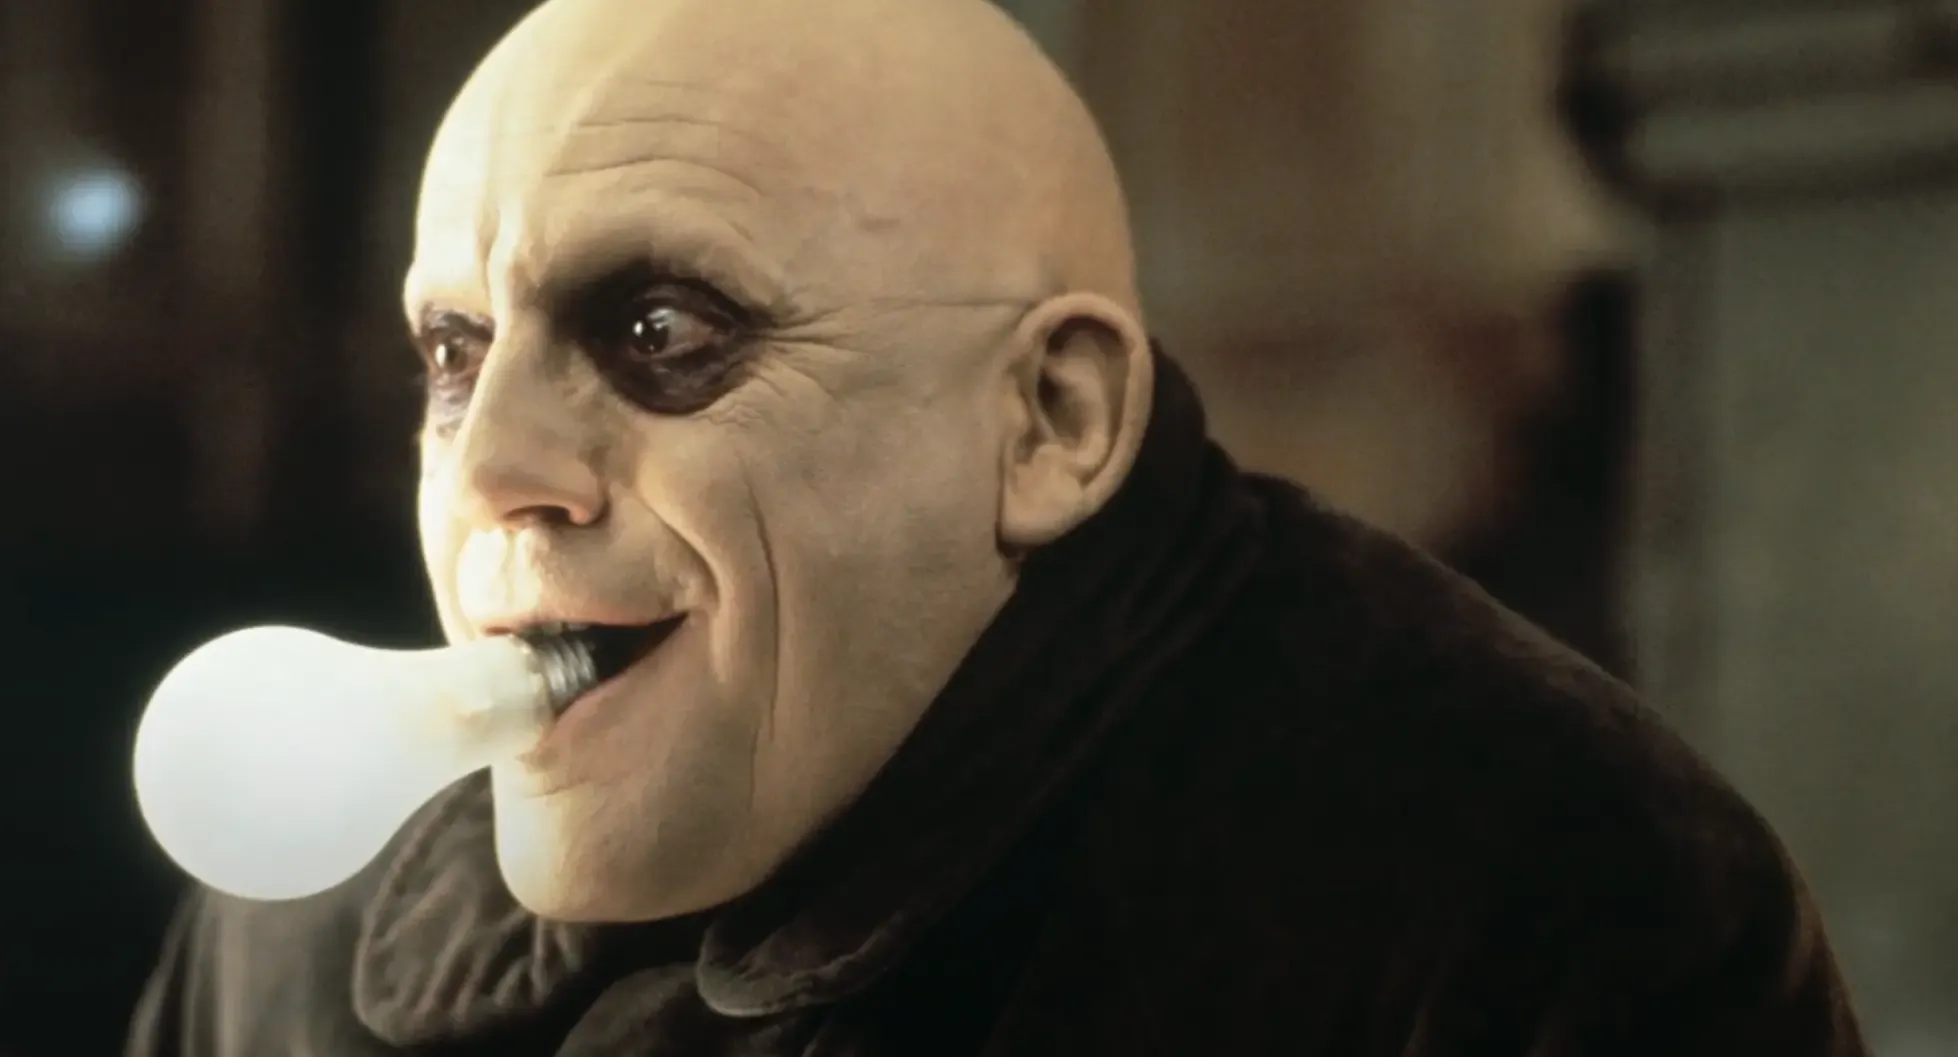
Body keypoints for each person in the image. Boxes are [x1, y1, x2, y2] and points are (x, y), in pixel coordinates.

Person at [124, 0, 1868, 1053]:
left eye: (661, 330)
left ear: (1051, 423)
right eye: (454, 352)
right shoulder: (305, 923)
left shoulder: (1525, 901)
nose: (495, 464)